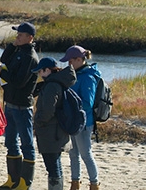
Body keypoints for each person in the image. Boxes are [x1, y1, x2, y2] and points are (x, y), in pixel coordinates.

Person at [0, 22, 40, 190]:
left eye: (20, 35)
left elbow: (19, 82)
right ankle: (12, 179)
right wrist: (13, 46)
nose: (17, 37)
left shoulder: (31, 57)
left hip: (22, 106)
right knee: (10, 142)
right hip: (10, 104)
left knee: (26, 143)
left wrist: (1, 72)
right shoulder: (18, 51)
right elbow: (5, 59)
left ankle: (24, 182)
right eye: (17, 34)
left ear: (30, 38)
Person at [31, 57, 76, 190]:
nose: (39, 74)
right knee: (55, 166)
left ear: (48, 70)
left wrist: (37, 121)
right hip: (56, 131)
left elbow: (48, 111)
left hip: (51, 132)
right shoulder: (57, 82)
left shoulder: (51, 85)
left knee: (53, 167)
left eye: (41, 71)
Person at [61, 46, 101, 190]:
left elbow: (87, 103)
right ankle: (75, 183)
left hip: (84, 122)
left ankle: (94, 183)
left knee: (86, 154)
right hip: (74, 121)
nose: (68, 64)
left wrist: (71, 110)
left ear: (79, 59)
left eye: (70, 61)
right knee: (73, 153)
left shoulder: (88, 76)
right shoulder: (77, 74)